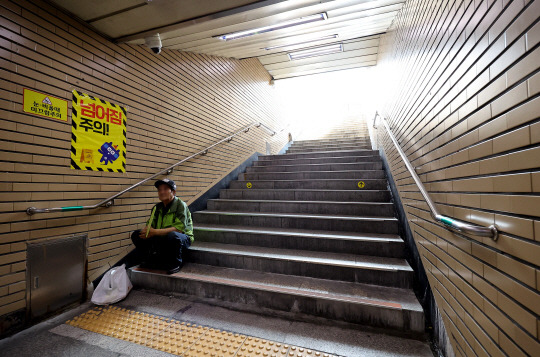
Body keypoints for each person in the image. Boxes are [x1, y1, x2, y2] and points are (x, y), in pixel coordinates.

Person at [130, 178, 193, 274]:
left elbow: (178, 229)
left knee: (173, 235)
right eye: (159, 190)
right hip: (163, 237)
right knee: (136, 235)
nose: (161, 192)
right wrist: (147, 231)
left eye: (165, 189)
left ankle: (176, 263)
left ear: (173, 192)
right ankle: (149, 259)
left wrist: (154, 232)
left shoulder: (180, 205)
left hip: (182, 238)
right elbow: (149, 226)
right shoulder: (156, 207)